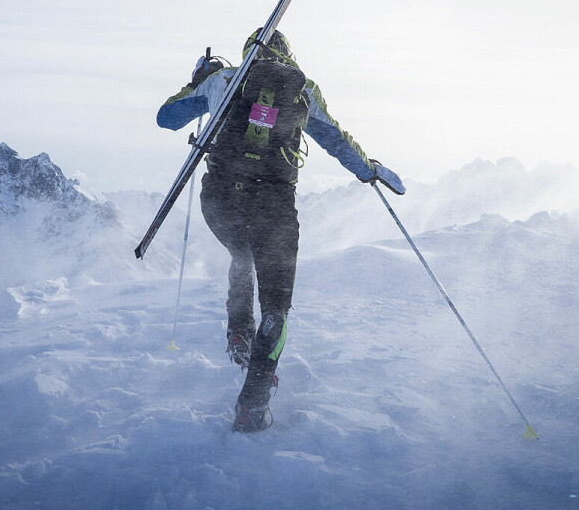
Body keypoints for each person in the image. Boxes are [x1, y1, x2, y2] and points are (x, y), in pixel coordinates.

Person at [156, 29, 403, 432]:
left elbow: (166, 119)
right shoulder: (303, 88)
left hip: (219, 199)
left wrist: (199, 78)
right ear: (289, 54)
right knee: (276, 305)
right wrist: (369, 171)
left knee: (242, 256)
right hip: (271, 205)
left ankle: (239, 334)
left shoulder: (225, 79)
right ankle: (253, 403)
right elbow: (337, 141)